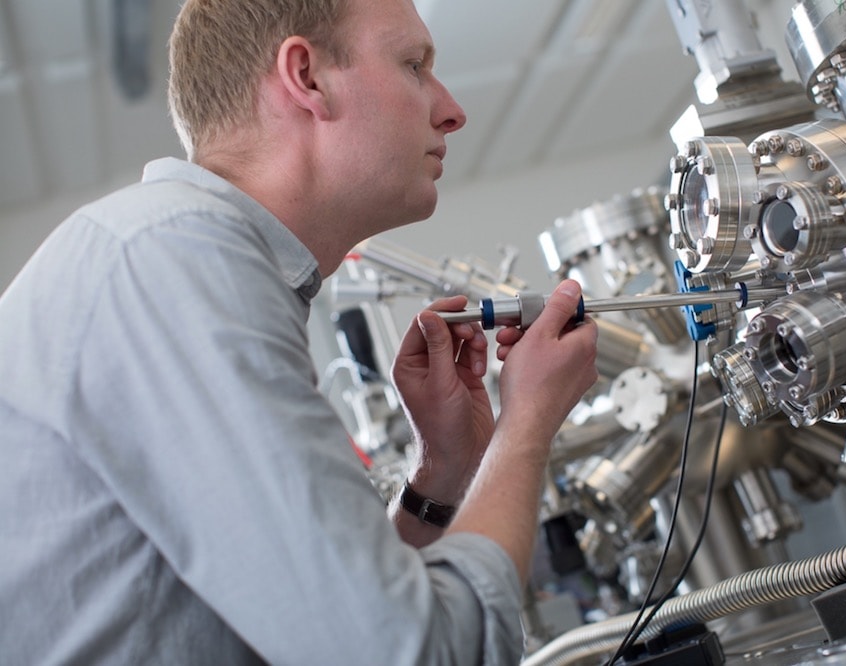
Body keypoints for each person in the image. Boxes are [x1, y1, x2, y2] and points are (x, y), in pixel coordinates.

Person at [0, 0, 598, 664]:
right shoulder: (172, 257)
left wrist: (446, 471)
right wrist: (529, 423)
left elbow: (327, 624)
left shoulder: (193, 261)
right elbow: (409, 651)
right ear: (307, 78)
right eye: (413, 65)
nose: (452, 109)